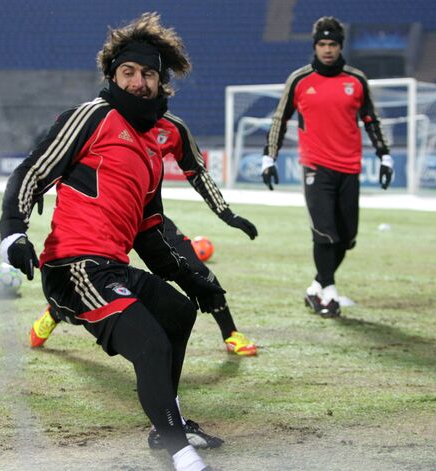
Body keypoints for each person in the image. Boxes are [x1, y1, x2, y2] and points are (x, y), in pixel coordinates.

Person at [0, 12, 221, 471]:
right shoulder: (94, 116)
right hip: (74, 267)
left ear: (160, 82)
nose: (138, 82)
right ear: (113, 76)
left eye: (148, 74)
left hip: (111, 268)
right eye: (129, 72)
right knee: (151, 345)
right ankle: (180, 452)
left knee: (178, 313)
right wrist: (13, 233)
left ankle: (168, 423)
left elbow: (148, 233)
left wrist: (192, 279)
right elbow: (33, 171)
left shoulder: (152, 149)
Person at [30, 111, 259, 357]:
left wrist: (226, 213)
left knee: (197, 270)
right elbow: (63, 151)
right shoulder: (105, 116)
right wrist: (37, 185)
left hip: (148, 219)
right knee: (97, 285)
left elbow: (197, 171)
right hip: (106, 215)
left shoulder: (174, 128)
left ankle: (230, 334)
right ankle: (57, 311)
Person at [261, 16, 393, 318]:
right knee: (324, 233)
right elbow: (280, 119)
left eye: (332, 44)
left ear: (340, 46)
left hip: (350, 167)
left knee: (347, 238)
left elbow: (371, 119)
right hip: (315, 167)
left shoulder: (356, 80)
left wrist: (384, 155)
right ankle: (330, 294)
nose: (328, 49)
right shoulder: (299, 80)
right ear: (315, 46)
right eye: (322, 44)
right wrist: (269, 157)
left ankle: (316, 287)